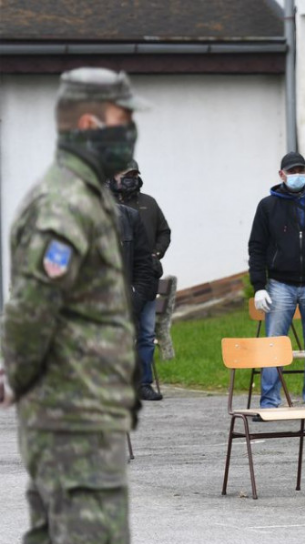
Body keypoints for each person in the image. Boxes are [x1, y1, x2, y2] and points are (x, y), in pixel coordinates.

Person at [1, 66, 145, 543]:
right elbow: (32, 306)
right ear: (88, 126)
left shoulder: (88, 196)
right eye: (122, 121)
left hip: (83, 409)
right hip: (72, 415)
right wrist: (16, 377)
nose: (131, 134)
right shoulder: (64, 204)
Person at [248, 151, 305, 409]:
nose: (296, 175)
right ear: (281, 175)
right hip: (279, 285)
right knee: (273, 345)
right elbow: (257, 247)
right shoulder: (267, 206)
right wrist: (259, 287)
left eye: (300, 171)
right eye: (291, 171)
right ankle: (269, 402)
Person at [111, 159, 171, 401]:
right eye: (125, 174)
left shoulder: (148, 204)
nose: (130, 178)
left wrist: (156, 252)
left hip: (145, 277)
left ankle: (143, 383)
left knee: (146, 334)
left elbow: (164, 232)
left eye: (134, 174)